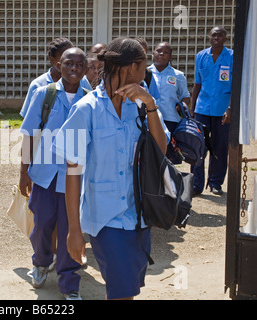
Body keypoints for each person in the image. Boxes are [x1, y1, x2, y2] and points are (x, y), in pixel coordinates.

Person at [54, 38, 170, 300]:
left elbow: (161, 150)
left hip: (140, 215)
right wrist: (74, 231)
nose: (146, 73)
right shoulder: (85, 109)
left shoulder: (143, 104)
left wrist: (150, 105)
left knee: (127, 291)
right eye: (143, 67)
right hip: (106, 220)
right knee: (121, 292)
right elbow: (72, 172)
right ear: (131, 67)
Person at [19, 48, 89, 300]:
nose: (74, 68)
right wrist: (24, 172)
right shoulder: (44, 94)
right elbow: (29, 134)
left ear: (85, 68)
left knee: (71, 228)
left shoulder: (89, 99)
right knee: (42, 225)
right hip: (45, 175)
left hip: (75, 179)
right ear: (59, 64)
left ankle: (69, 283)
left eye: (79, 64)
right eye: (69, 63)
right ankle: (40, 263)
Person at [190, 27, 233, 196]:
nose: (216, 37)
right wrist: (192, 109)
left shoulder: (232, 56)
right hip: (202, 108)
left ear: (225, 38)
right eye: (213, 35)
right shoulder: (201, 56)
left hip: (223, 111)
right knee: (198, 146)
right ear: (209, 38)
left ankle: (215, 182)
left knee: (220, 148)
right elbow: (197, 84)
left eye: (220, 34)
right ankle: (196, 183)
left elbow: (236, 85)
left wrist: (230, 109)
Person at [19, 38, 92, 118]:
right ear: (52, 59)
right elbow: (29, 119)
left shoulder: (82, 81)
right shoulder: (38, 85)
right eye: (66, 57)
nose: (73, 66)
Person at [148, 42, 191, 161]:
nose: (161, 54)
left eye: (166, 52)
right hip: (150, 119)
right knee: (152, 155)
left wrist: (182, 105)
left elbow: (186, 96)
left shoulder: (178, 75)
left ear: (170, 56)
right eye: (159, 51)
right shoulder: (145, 73)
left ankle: (168, 179)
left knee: (169, 156)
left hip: (170, 120)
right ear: (153, 53)